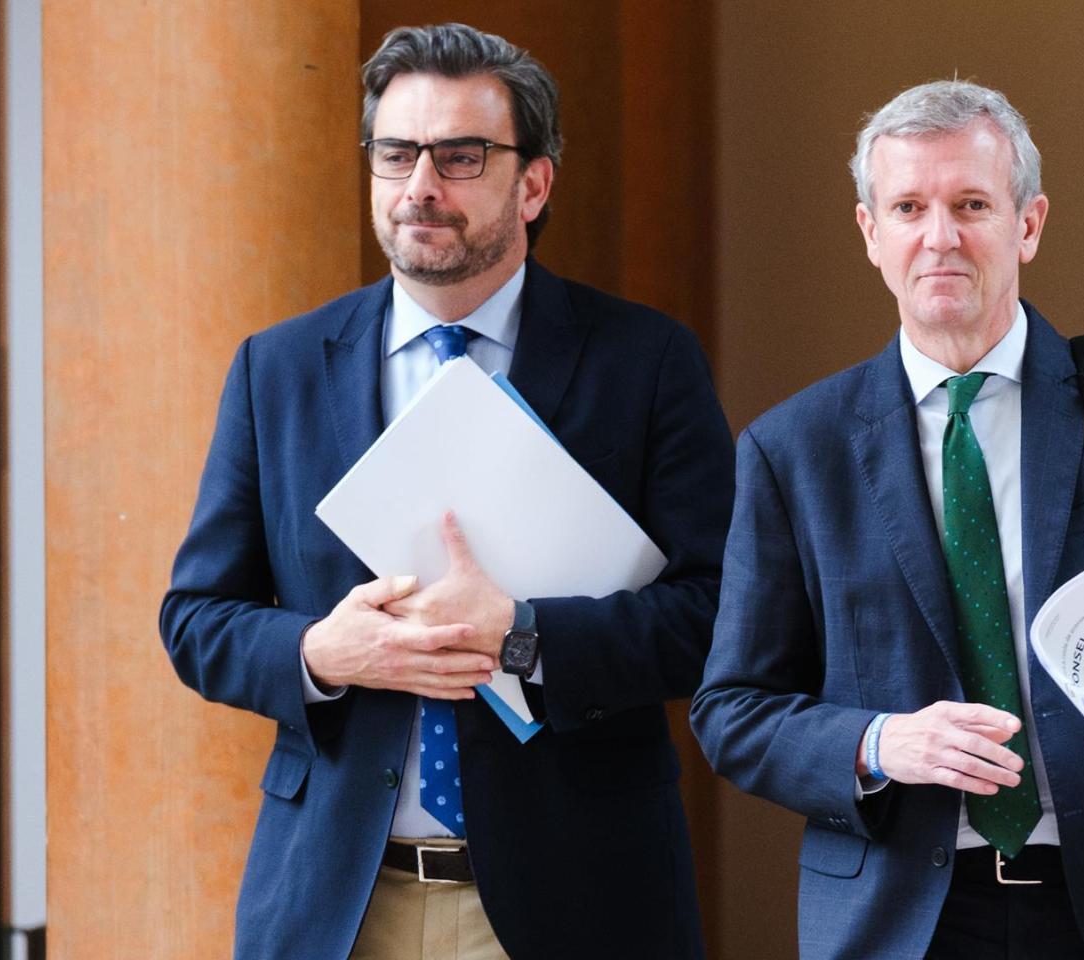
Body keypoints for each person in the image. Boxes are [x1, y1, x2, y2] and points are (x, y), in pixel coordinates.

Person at [690, 80, 1084, 960]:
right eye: (909, 206)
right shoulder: (794, 449)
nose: (940, 237)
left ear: (1027, 224)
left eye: (971, 205)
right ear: (870, 232)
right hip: (901, 922)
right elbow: (733, 709)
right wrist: (882, 742)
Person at [160, 23, 732, 960]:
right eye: (396, 153)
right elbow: (195, 619)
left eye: (461, 157)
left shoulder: (646, 361)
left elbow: (719, 618)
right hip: (340, 905)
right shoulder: (281, 367)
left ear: (534, 183)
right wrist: (320, 650)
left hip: (578, 900)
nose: (420, 185)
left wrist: (524, 633)